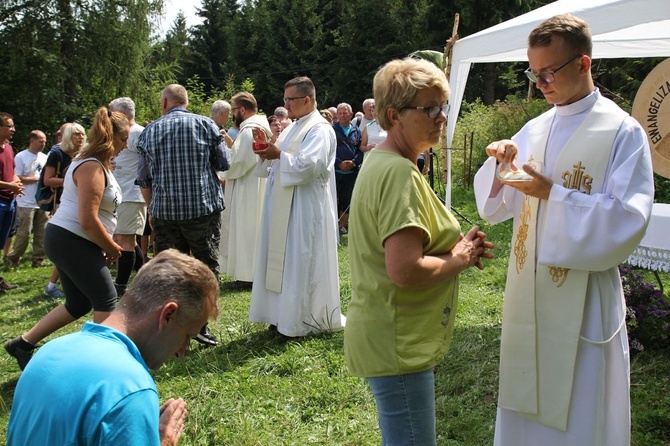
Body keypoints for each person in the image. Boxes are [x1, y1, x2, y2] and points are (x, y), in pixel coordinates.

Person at [473, 14, 654, 446]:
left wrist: (553, 193)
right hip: (528, 290)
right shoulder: (535, 128)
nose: (541, 84)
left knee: (580, 411)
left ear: (584, 63)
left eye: (549, 72)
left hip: (584, 298)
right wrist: (502, 165)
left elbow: (627, 219)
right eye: (534, 74)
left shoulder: (622, 132)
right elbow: (496, 206)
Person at [344, 58, 493, 446]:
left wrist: (459, 249)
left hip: (389, 333)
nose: (441, 116)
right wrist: (459, 257)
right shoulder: (397, 173)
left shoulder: (383, 161)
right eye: (429, 108)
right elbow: (405, 270)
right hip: (397, 340)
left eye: (442, 106)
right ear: (394, 115)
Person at [6, 249, 220, 446]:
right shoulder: (130, 390)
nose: (181, 351)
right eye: (187, 336)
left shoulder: (48, 352)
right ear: (168, 315)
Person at [4, 108, 128, 371]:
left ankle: (22, 344)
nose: (125, 145)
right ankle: (101, 365)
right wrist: (110, 246)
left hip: (73, 240)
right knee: (106, 300)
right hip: (71, 240)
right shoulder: (91, 165)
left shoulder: (99, 164)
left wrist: (102, 243)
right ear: (109, 137)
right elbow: (87, 219)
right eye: (122, 139)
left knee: (79, 302)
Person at [249, 76, 345, 338]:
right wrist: (265, 149)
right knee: (282, 259)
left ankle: (299, 320)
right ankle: (280, 317)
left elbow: (310, 166)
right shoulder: (293, 127)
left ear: (306, 99)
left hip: (304, 206)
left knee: (299, 260)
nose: (285, 105)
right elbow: (277, 157)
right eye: (284, 99)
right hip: (282, 204)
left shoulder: (320, 129)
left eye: (290, 99)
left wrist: (277, 154)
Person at [137, 84, 229, 346]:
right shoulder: (206, 125)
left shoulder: (149, 131)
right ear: (186, 102)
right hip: (202, 209)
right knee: (206, 268)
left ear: (165, 103)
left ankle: (170, 328)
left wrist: (152, 209)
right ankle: (201, 325)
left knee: (168, 272)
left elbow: (143, 178)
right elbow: (224, 164)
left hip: (166, 212)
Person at [218, 92, 270, 290]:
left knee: (247, 230)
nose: (233, 116)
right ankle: (246, 273)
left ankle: (248, 275)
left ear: (242, 110)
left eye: (234, 110)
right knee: (249, 229)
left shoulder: (250, 130)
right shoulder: (256, 127)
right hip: (250, 184)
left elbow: (238, 162)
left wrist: (222, 169)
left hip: (248, 188)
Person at [109, 97, 147, 297]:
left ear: (122, 114)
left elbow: (148, 163)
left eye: (112, 113)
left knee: (125, 239)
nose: (109, 117)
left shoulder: (139, 133)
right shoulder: (121, 134)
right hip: (119, 193)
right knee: (126, 239)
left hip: (132, 194)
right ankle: (145, 277)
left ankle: (120, 286)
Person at [42, 122, 84, 298]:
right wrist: (74, 180)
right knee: (67, 247)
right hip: (62, 205)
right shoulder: (56, 154)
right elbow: (47, 180)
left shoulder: (82, 155)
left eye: (82, 134)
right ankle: (52, 286)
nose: (81, 137)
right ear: (67, 136)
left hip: (76, 203)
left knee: (73, 247)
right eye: (76, 134)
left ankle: (67, 284)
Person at [6, 130, 49, 268]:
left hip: (41, 201)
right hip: (25, 200)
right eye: (40, 141)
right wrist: (37, 179)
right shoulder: (21, 157)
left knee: (41, 232)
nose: (43, 144)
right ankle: (14, 257)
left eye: (45, 142)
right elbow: (16, 177)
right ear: (32, 141)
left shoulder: (44, 157)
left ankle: (38, 258)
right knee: (24, 233)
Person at [0, 112, 24, 292]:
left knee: (2, 242)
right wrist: (10, 185)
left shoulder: (8, 147)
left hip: (9, 201)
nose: (13, 130)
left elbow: (13, 170)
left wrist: (16, 183)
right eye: (10, 126)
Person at [333, 102, 363, 235]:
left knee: (347, 199)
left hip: (352, 172)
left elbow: (360, 150)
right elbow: (329, 150)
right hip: (335, 171)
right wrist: (339, 163)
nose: (342, 115)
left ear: (351, 114)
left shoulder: (357, 131)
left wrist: (354, 162)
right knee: (335, 199)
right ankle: (332, 225)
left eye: (345, 113)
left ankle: (342, 225)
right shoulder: (332, 129)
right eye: (340, 113)